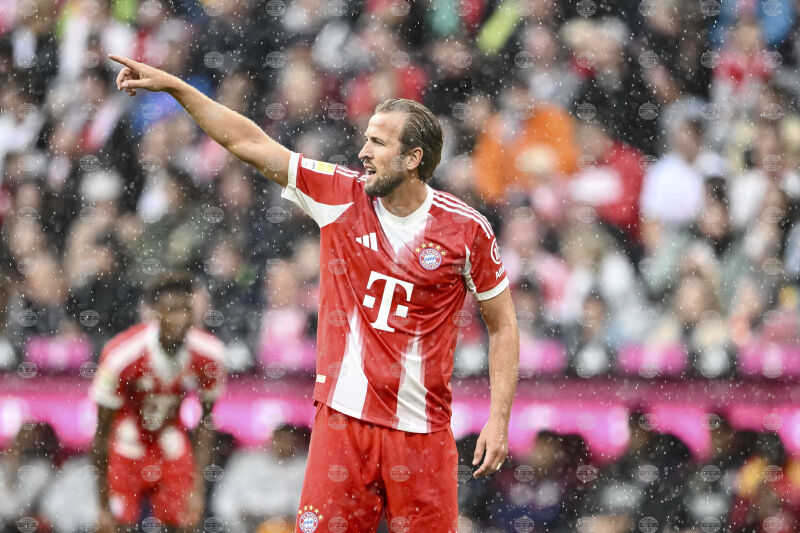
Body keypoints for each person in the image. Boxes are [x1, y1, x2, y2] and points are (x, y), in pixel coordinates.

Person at [106, 54, 520, 532]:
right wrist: (177, 88)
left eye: (378, 142)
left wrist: (498, 419)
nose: (363, 151)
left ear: (413, 159)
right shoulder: (339, 194)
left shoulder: (467, 231)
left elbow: (503, 325)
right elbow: (247, 142)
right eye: (366, 138)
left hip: (422, 431)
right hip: (342, 424)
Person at [89, 271, 226, 533]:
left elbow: (207, 423)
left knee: (184, 524)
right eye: (172, 310)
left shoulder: (210, 354)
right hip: (127, 445)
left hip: (169, 442)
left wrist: (197, 489)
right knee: (116, 527)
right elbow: (101, 433)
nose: (181, 319)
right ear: (155, 314)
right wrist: (103, 506)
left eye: (186, 310)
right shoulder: (121, 355)